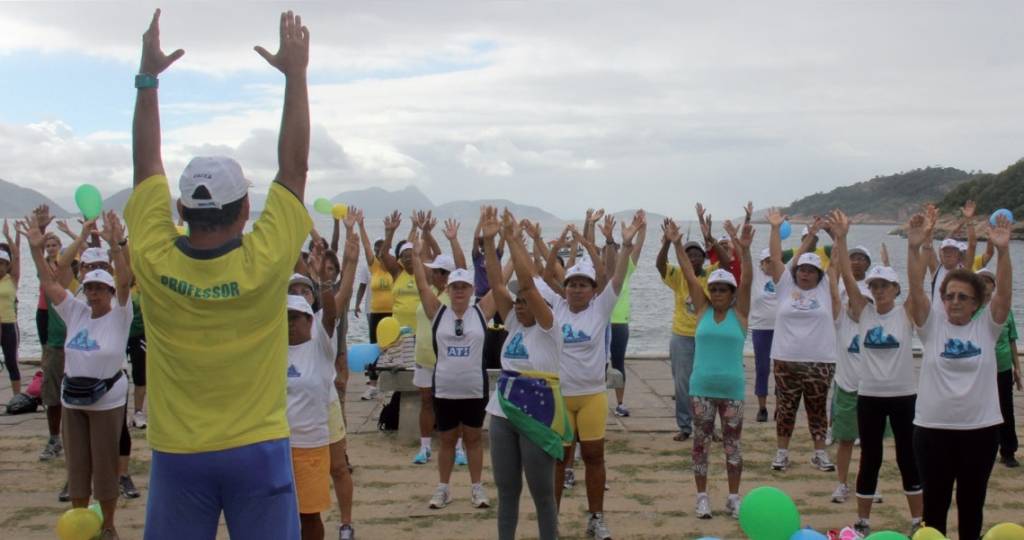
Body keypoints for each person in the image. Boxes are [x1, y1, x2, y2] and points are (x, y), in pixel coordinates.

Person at [125, 10, 312, 539]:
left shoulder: (155, 260)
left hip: (179, 454)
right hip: (259, 449)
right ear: (246, 209)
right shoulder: (264, 261)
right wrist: (295, 76)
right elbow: (294, 169)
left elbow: (146, 167)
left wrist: (148, 79)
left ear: (180, 212)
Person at [22, 210, 133, 540]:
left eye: (100, 287)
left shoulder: (120, 315)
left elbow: (126, 280)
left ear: (111, 292)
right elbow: (49, 282)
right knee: (78, 468)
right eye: (89, 288)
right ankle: (83, 522)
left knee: (104, 468)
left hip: (106, 402)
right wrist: (34, 250)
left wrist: (116, 245)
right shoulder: (76, 311)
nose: (94, 293)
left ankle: (109, 524)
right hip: (73, 400)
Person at [905, 210, 1013, 540]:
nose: (954, 301)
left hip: (979, 431)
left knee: (971, 505)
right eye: (949, 295)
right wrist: (913, 250)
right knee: (934, 508)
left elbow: (1005, 295)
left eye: (962, 297)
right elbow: (915, 289)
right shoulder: (931, 326)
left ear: (977, 302)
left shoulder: (987, 327)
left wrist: (1005, 253)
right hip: (932, 430)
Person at [547, 211, 643, 540]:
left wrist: (625, 244)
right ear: (565, 288)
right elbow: (534, 275)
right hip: (560, 397)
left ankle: (596, 517)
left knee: (594, 457)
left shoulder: (601, 308)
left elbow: (616, 278)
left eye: (583, 284)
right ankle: (552, 520)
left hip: (592, 397)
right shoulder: (556, 308)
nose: (576, 289)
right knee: (560, 461)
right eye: (572, 284)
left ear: (592, 289)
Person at [830, 210, 923, 536]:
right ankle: (863, 521)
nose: (879, 289)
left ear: (895, 289)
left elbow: (917, 281)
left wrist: (913, 247)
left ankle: (917, 520)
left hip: (903, 397)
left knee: (907, 458)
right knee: (870, 457)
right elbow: (843, 274)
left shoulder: (906, 313)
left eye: (885, 285)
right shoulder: (863, 313)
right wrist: (841, 239)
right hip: (869, 397)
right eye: (875, 285)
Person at [483, 208, 567, 540]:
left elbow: (530, 286)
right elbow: (495, 283)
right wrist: (491, 243)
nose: (518, 304)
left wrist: (516, 241)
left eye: (524, 300)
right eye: (515, 301)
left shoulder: (549, 328)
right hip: (503, 408)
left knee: (542, 494)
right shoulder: (514, 322)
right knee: (507, 491)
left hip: (539, 409)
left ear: (540, 303)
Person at [668, 218, 753, 520]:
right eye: (714, 288)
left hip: (732, 392)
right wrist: (677, 244)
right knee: (700, 445)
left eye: (722, 289)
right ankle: (702, 497)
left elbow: (747, 281)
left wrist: (744, 251)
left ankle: (733, 497)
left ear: (731, 295)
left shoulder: (740, 315)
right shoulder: (702, 310)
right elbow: (691, 276)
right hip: (701, 389)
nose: (717, 293)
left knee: (733, 446)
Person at [410, 226, 494, 511]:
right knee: (446, 440)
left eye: (464, 287)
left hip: (473, 389)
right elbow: (422, 286)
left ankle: (476, 488)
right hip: (444, 389)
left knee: (473, 439)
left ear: (472, 290)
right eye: (454, 287)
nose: (459, 291)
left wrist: (497, 241)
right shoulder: (439, 312)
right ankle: (443, 488)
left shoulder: (481, 312)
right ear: (447, 290)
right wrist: (417, 257)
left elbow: (500, 282)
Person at [765, 209, 839, 472]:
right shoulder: (786, 286)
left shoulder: (826, 289)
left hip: (820, 361)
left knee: (817, 409)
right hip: (786, 360)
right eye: (802, 270)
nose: (806, 274)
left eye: (811, 270)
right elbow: (776, 258)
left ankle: (820, 454)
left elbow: (838, 259)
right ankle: (782, 453)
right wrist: (775, 228)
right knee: (785, 409)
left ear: (819, 274)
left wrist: (836, 235)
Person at [411, 215, 468, 465]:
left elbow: (462, 267)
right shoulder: (428, 293)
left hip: (448, 359)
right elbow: (419, 267)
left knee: (455, 405)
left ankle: (458, 448)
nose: (432, 274)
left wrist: (452, 240)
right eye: (432, 271)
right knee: (426, 402)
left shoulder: (456, 296)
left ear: (446, 274)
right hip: (423, 357)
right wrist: (422, 236)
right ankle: (424, 447)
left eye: (437, 272)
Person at [655, 215, 712, 442]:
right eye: (688, 254)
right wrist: (668, 242)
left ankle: (708, 425)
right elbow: (659, 266)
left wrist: (710, 237)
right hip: (682, 336)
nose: (693, 258)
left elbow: (730, 265)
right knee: (682, 383)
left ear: (704, 258)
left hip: (706, 337)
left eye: (697, 254)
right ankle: (685, 426)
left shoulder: (712, 275)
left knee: (707, 382)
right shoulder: (677, 275)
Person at [601, 214, 645, 418]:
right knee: (597, 363)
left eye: (618, 252)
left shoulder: (626, 270)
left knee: (618, 362)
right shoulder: (598, 275)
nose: (614, 256)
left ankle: (619, 403)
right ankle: (596, 399)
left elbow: (638, 248)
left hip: (619, 323)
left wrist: (642, 228)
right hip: (600, 323)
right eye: (610, 253)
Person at [976, 267, 1020, 468]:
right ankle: (981, 449)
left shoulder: (1004, 309)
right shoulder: (972, 309)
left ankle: (1008, 451)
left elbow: (1012, 340)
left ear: (994, 286)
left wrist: (1017, 368)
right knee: (980, 408)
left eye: (989, 281)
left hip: (1002, 367)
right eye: (981, 281)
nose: (985, 285)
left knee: (1005, 409)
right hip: (979, 369)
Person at [355, 215, 394, 401]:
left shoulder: (395, 267)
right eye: (378, 248)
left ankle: (393, 384)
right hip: (376, 313)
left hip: (393, 315)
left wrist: (390, 232)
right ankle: (372, 385)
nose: (380, 251)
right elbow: (367, 246)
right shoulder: (374, 268)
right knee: (374, 349)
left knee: (393, 349)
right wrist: (361, 225)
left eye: (383, 248)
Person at [749, 247, 777, 423]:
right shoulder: (755, 276)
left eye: (773, 261)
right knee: (762, 368)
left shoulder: (784, 275)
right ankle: (762, 407)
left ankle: (781, 408)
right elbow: (742, 252)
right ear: (761, 264)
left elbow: (797, 255)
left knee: (782, 370)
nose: (770, 264)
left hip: (782, 329)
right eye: (766, 261)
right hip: (761, 328)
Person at [0, 220, 22, 398]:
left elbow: (17, 256)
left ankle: (17, 397)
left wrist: (9, 235)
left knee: (11, 361)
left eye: (1, 263)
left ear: (7, 265)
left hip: (8, 324)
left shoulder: (12, 279)